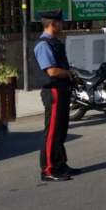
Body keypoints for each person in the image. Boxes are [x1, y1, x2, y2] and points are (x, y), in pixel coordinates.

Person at [33, 10, 81, 181]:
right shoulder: (43, 45)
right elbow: (52, 71)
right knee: (52, 132)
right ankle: (48, 169)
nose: (63, 25)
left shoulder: (54, 43)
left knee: (61, 130)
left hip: (61, 91)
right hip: (52, 91)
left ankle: (60, 164)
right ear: (52, 24)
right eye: (60, 22)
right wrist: (68, 73)